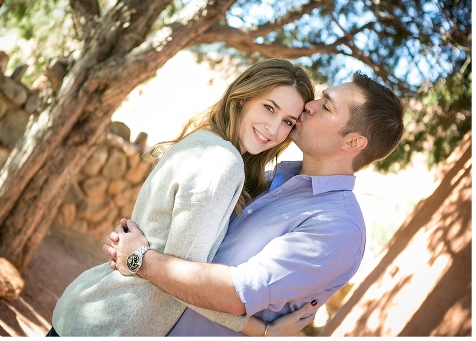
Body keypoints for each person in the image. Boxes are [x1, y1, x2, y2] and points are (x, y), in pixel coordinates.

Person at [106, 72, 405, 336]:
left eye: (325, 106)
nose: (309, 105)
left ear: (352, 143)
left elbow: (238, 292)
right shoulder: (268, 176)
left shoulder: (339, 228)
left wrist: (141, 259)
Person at [50, 59, 314, 336]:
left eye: (287, 121)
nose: (273, 128)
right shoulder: (223, 161)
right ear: (242, 99)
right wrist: (261, 330)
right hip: (113, 323)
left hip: (96, 310)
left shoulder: (204, 140)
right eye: (269, 107)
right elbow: (184, 282)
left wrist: (135, 256)